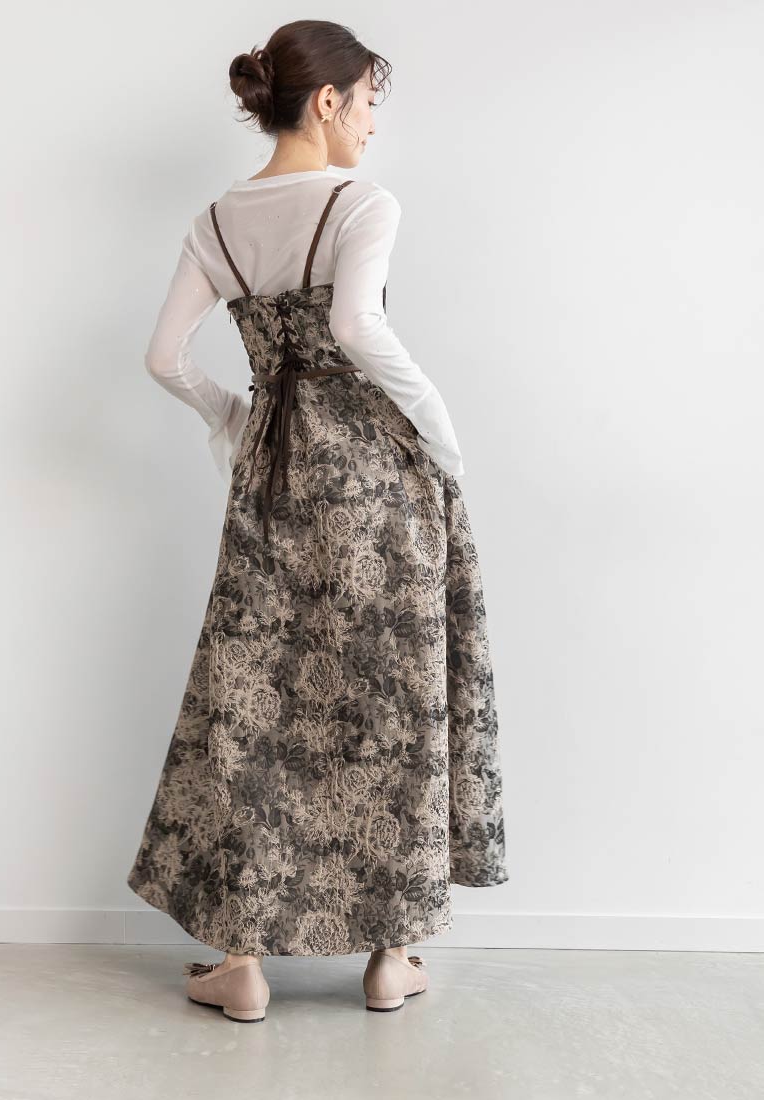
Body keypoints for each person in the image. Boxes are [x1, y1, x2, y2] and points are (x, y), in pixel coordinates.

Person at [127, 19, 508, 1022]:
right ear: (329, 100)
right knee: (391, 695)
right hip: (378, 475)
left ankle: (242, 964)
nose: (373, 125)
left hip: (272, 477)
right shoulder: (359, 201)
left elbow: (165, 358)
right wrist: (439, 434)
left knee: (253, 697)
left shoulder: (215, 222)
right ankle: (388, 957)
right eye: (369, 102)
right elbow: (354, 326)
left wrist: (234, 418)